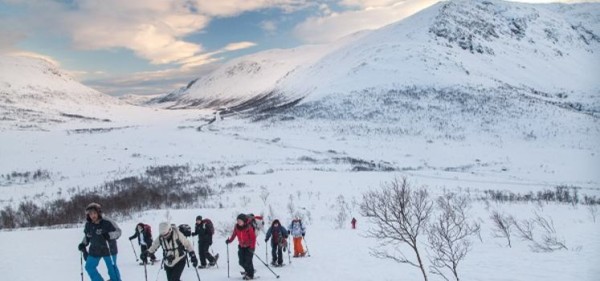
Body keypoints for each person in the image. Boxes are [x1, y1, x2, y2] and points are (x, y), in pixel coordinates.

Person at [78, 202, 122, 281]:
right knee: (89, 267)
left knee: (112, 270)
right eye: (90, 214)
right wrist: (83, 244)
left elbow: (119, 232)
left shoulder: (107, 222)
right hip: (95, 250)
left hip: (108, 249)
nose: (93, 216)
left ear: (98, 212)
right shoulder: (88, 225)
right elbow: (87, 236)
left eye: (94, 213)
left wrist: (109, 235)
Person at [226, 214, 257, 280]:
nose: (238, 222)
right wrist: (229, 241)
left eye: (240, 221)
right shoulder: (237, 227)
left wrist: (252, 247)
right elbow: (234, 234)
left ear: (244, 221)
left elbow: (253, 238)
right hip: (241, 246)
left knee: (248, 261)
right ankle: (248, 270)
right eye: (238, 220)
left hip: (249, 247)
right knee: (241, 262)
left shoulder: (249, 228)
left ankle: (250, 275)